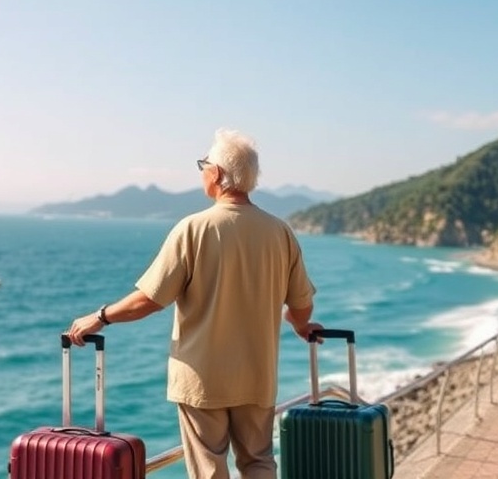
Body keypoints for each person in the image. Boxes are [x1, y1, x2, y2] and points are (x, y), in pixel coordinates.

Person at [67, 128, 322, 479]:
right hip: (258, 374)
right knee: (259, 462)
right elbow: (301, 303)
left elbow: (150, 299)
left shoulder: (193, 228)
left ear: (216, 174)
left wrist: (100, 317)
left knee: (209, 470)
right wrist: (300, 325)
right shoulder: (279, 232)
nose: (202, 171)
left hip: (203, 378)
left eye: (204, 165)